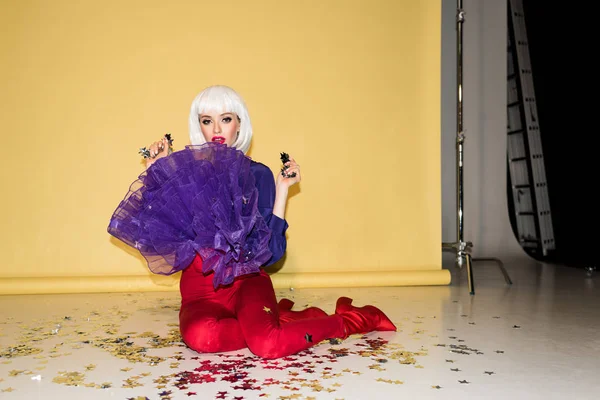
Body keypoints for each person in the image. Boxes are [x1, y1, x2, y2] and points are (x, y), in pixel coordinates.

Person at [108, 85, 396, 359]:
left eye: (226, 119)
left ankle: (347, 321)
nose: (217, 129)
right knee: (202, 338)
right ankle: (270, 324)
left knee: (267, 345)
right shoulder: (184, 173)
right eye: (208, 120)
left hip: (247, 283)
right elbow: (157, 236)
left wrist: (282, 190)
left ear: (240, 124)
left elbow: (272, 254)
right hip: (201, 293)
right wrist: (157, 173)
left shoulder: (257, 174)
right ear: (199, 126)